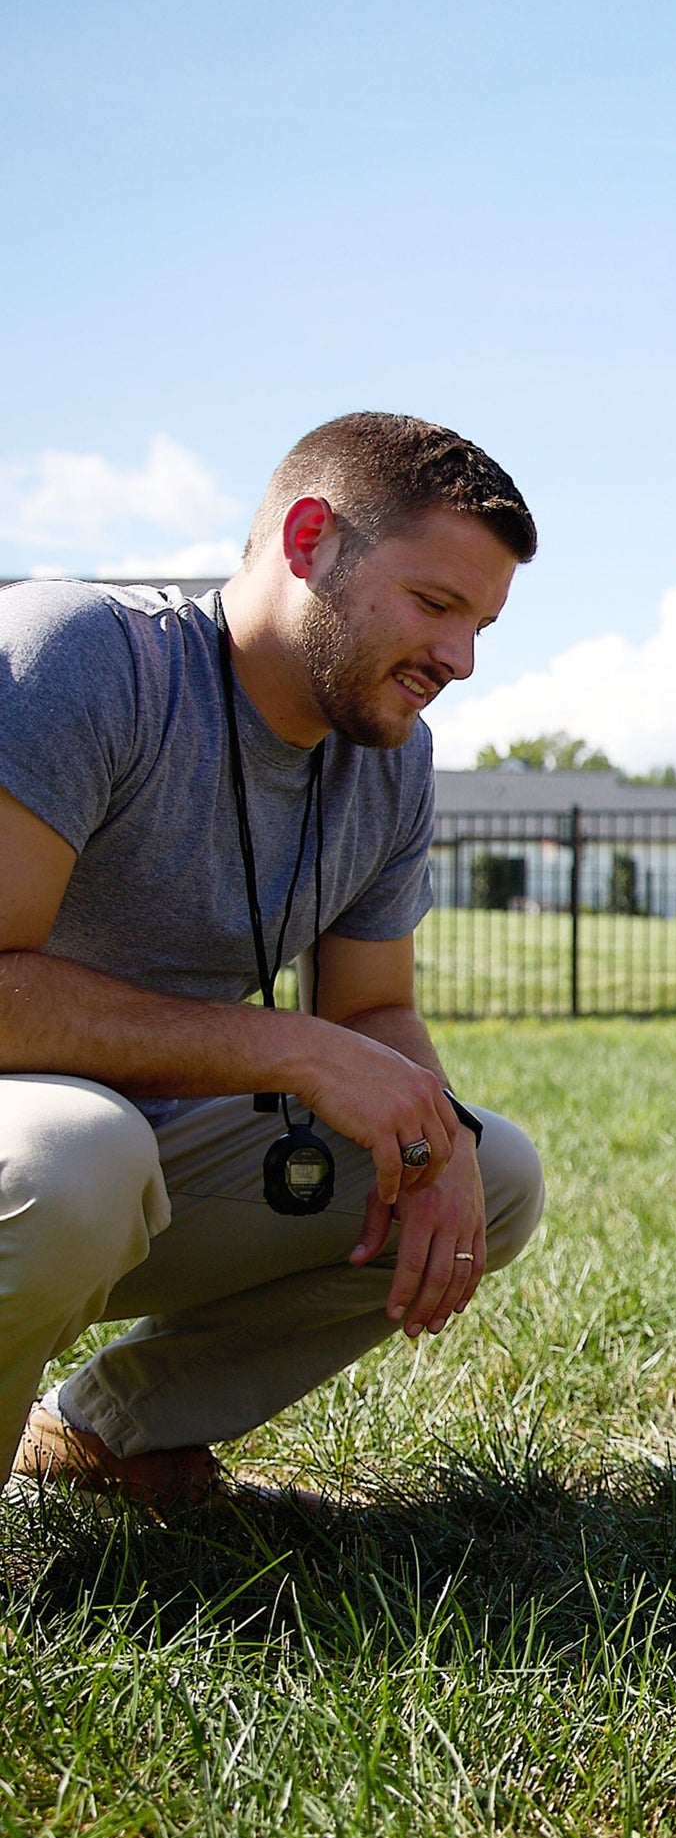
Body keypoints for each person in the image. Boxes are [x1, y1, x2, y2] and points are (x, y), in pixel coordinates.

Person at [0, 412, 546, 1510]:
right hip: (49, 1157)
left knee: (492, 1169)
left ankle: (107, 1430)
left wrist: (434, 1144)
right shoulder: (81, 655)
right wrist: (283, 1043)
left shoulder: (390, 758)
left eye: (481, 624)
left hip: (127, 1157)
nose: (460, 658)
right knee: (78, 1155)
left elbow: (374, 1006)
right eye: (437, 604)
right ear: (308, 538)